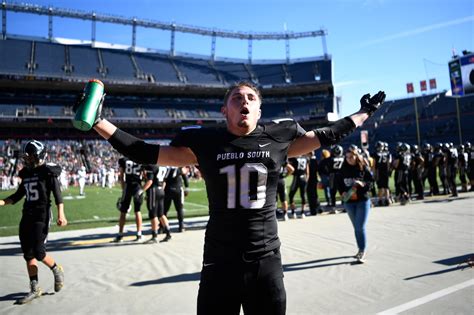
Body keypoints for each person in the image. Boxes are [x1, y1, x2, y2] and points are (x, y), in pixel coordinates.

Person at [77, 81, 385, 314]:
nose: (244, 102)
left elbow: (327, 134)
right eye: (236, 99)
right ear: (225, 110)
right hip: (220, 262)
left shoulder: (278, 139)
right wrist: (99, 122)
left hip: (265, 261)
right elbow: (144, 152)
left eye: (251, 98)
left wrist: (363, 113)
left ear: (260, 111)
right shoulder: (206, 141)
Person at [0, 140, 67, 304]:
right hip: (27, 215)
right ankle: (34, 288)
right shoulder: (27, 174)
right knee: (28, 254)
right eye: (27, 157)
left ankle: (56, 269)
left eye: (30, 156)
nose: (27, 159)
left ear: (39, 155)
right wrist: (1, 202)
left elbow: (58, 195)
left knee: (39, 252)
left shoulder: (48, 172)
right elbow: (17, 196)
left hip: (41, 215)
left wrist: (61, 214)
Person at [336, 145, 374, 263]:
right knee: (356, 228)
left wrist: (362, 185)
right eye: (347, 157)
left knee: (359, 227)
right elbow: (339, 184)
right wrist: (342, 193)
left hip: (363, 201)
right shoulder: (343, 169)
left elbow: (371, 184)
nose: (349, 159)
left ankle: (362, 251)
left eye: (351, 157)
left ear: (356, 156)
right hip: (349, 202)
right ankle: (359, 249)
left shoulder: (363, 168)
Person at [114, 156, 144, 242]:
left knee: (123, 211)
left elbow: (121, 174)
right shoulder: (141, 159)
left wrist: (123, 188)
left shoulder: (124, 160)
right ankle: (139, 233)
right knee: (137, 210)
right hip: (137, 186)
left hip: (128, 185)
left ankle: (120, 234)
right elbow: (144, 174)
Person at [142, 164, 172, 242]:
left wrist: (141, 191)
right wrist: (161, 190)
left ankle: (154, 236)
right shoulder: (163, 166)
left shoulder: (151, 166)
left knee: (153, 214)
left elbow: (150, 181)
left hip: (154, 190)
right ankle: (168, 233)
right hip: (161, 189)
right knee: (161, 214)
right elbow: (164, 181)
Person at [164, 166, 189, 232]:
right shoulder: (179, 167)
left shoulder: (166, 167)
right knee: (179, 209)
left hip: (168, 189)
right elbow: (185, 177)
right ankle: (181, 226)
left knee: (165, 209)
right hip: (178, 189)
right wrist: (187, 188)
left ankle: (163, 226)